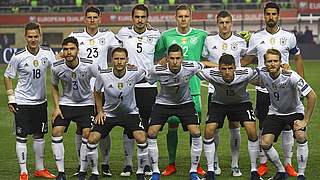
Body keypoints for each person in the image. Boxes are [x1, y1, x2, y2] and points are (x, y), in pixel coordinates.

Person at [241, 2, 304, 177]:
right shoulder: (255, 37)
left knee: (286, 126)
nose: (270, 17)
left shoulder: (289, 37)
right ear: (264, 15)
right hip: (264, 89)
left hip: (286, 90)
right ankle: (263, 163)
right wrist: (231, 61)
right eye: (267, 14)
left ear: (278, 15)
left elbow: (297, 58)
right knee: (263, 125)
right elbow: (247, 59)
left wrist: (300, 83)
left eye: (273, 14)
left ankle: (288, 163)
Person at [79, 47, 149, 180]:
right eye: (116, 58)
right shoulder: (103, 74)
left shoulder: (134, 72)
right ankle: (94, 173)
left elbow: (147, 73)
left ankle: (140, 172)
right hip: (109, 114)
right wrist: (99, 111)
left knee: (141, 138)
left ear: (127, 60)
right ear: (111, 60)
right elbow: (97, 91)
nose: (119, 62)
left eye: (122, 59)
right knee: (92, 138)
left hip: (130, 113)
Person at [67, 6, 121, 177]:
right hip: (81, 90)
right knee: (80, 129)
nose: (91, 20)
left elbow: (122, 50)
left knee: (103, 128)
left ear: (99, 19)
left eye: (94, 17)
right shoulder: (75, 36)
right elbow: (65, 54)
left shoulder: (108, 35)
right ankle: (81, 163)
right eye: (89, 17)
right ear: (84, 19)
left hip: (103, 88)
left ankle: (104, 164)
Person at [147, 44, 214, 180]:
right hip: (163, 104)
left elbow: (205, 64)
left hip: (185, 103)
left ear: (182, 58)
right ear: (167, 59)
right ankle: (155, 172)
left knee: (196, 132)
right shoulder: (157, 70)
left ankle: (193, 171)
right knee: (151, 132)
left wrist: (221, 66)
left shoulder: (190, 66)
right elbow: (148, 79)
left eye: (178, 58)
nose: (175, 61)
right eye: (172, 58)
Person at [155, 4, 207, 176]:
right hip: (171, 91)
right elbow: (157, 56)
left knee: (195, 129)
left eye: (186, 16)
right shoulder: (166, 36)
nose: (183, 19)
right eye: (180, 16)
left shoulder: (201, 35)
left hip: (193, 89)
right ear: (175, 18)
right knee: (172, 124)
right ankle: (171, 163)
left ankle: (196, 164)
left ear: (191, 18)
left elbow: (208, 56)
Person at [4, 22, 56, 180]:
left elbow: (58, 70)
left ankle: (40, 169)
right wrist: (11, 98)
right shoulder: (18, 56)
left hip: (40, 102)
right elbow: (7, 76)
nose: (33, 39)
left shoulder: (48, 53)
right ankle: (23, 171)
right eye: (30, 37)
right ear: (25, 37)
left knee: (40, 136)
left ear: (40, 36)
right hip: (22, 102)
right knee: (22, 137)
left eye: (36, 36)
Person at [198, 54, 261, 180]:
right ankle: (210, 170)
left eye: (230, 68)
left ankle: (253, 170)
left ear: (235, 68)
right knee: (209, 130)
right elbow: (194, 68)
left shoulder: (246, 73)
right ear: (219, 68)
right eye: (223, 69)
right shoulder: (211, 73)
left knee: (252, 130)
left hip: (241, 103)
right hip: (219, 104)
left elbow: (261, 73)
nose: (227, 72)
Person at [115, 4, 160, 177]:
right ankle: (128, 164)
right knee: (129, 126)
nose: (140, 20)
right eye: (137, 17)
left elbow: (162, 52)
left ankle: (147, 163)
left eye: (143, 17)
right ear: (132, 18)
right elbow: (115, 53)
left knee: (148, 126)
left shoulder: (155, 34)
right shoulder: (123, 33)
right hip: (129, 87)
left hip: (148, 87)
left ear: (147, 18)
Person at [258, 49, 316, 180]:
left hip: (294, 111)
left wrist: (305, 120)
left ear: (280, 62)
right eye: (269, 61)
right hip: (275, 112)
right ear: (265, 63)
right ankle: (281, 171)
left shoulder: (291, 76)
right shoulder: (262, 74)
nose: (272, 64)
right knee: (265, 143)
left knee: (301, 135)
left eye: (275, 61)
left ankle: (301, 174)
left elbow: (312, 96)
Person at [201, 10, 247, 177]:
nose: (224, 25)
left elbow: (246, 59)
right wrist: (214, 66)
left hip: (235, 91)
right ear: (217, 24)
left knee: (235, 126)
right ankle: (214, 162)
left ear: (231, 23)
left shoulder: (241, 42)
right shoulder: (209, 40)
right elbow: (203, 60)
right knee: (215, 128)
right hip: (215, 90)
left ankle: (235, 164)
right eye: (221, 22)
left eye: (227, 22)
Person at [50, 37, 99, 180]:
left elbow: (102, 80)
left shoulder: (89, 65)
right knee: (56, 131)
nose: (69, 52)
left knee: (87, 133)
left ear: (78, 50)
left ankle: (82, 171)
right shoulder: (57, 67)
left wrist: (99, 106)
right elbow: (53, 86)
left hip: (86, 104)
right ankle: (61, 172)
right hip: (66, 104)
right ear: (63, 51)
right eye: (66, 49)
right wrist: (57, 107)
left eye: (72, 49)